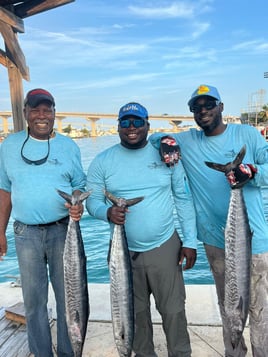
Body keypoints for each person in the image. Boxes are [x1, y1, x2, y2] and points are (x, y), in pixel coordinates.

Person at [150, 84, 268, 357]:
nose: (203, 111)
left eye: (209, 104)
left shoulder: (247, 134)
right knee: (229, 309)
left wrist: (252, 171)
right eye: (196, 107)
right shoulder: (190, 142)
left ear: (221, 107)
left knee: (261, 312)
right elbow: (155, 136)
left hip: (256, 241)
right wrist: (165, 141)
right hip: (216, 243)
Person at [86, 102, 197, 357]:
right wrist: (106, 212)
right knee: (134, 314)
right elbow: (92, 199)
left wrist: (190, 240)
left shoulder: (166, 154)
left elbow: (183, 198)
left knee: (174, 311)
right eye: (126, 123)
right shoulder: (103, 161)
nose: (132, 128)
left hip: (165, 246)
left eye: (138, 122)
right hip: (123, 254)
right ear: (118, 127)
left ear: (148, 125)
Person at [0, 88, 86, 357]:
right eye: (35, 108)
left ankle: (67, 352)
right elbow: (4, 190)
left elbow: (80, 186)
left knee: (67, 298)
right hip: (25, 234)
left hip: (63, 230)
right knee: (34, 300)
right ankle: (41, 353)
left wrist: (76, 203)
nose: (41, 114)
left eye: (47, 109)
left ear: (54, 114)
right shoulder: (9, 145)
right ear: (25, 112)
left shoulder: (69, 146)